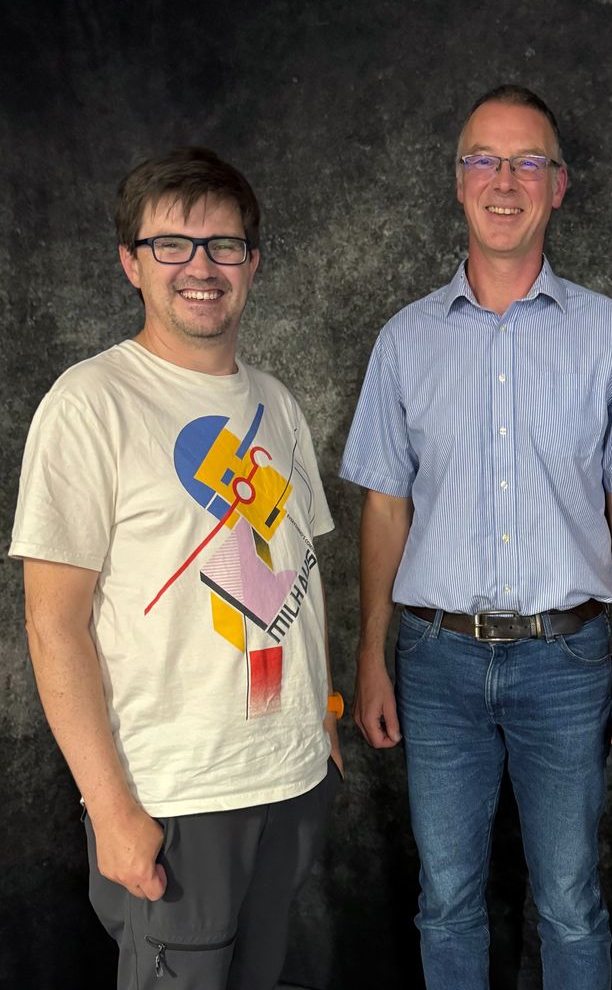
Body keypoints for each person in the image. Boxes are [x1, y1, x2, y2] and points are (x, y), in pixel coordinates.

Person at [340, 84, 612, 989]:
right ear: (458, 183)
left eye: (528, 161)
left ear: (559, 186)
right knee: (446, 897)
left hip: (567, 664)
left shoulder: (608, 335)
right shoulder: (404, 341)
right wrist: (371, 654)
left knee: (570, 899)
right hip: (435, 662)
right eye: (484, 160)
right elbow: (384, 509)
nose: (505, 180)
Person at [10, 147, 342, 990]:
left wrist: (324, 717)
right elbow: (54, 625)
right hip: (177, 796)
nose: (201, 267)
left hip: (288, 775)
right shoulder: (90, 404)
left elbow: (299, 570)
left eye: (224, 245)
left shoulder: (277, 402)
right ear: (131, 262)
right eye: (172, 245)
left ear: (253, 262)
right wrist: (111, 808)